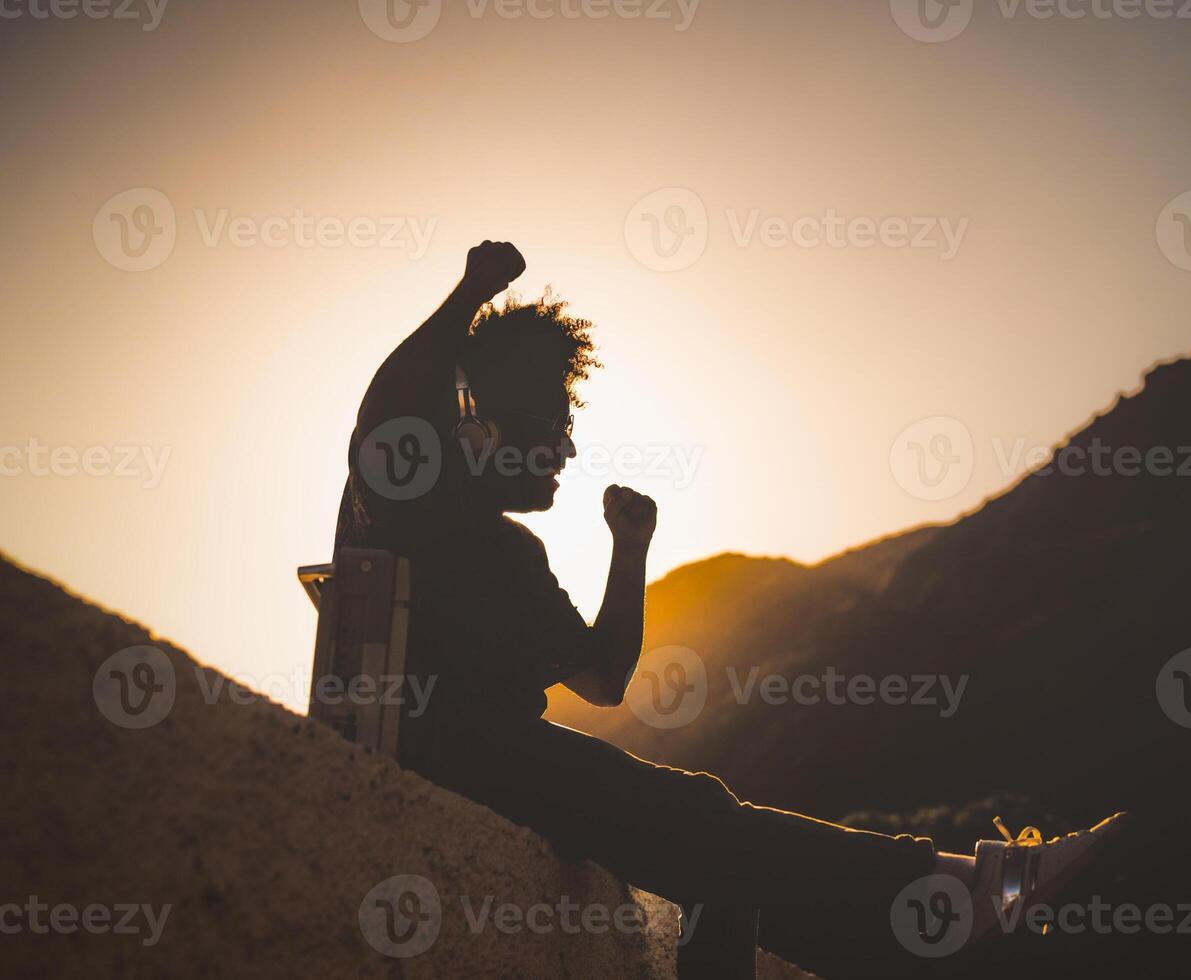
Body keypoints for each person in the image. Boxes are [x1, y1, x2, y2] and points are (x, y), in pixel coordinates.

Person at [335, 240, 1124, 975]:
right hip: (450, 759)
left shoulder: (512, 555)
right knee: (702, 821)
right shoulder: (413, 496)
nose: (569, 449)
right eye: (557, 423)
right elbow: (393, 404)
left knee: (718, 868)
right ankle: (976, 885)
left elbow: (604, 680)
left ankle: (951, 914)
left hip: (510, 765)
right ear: (480, 422)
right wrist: (471, 296)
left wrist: (631, 551)